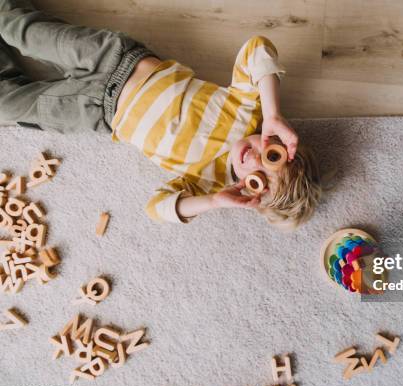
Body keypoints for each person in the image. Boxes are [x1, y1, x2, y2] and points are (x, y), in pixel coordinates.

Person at [0, 0, 321, 228]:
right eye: (271, 156)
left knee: (6, 104)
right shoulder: (248, 110)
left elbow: (158, 208)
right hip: (115, 59)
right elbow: (258, 48)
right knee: (20, 30)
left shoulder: (208, 180)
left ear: (249, 190)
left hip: (93, 109)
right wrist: (273, 112)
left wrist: (213, 202)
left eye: (258, 178)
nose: (254, 159)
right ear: (280, 143)